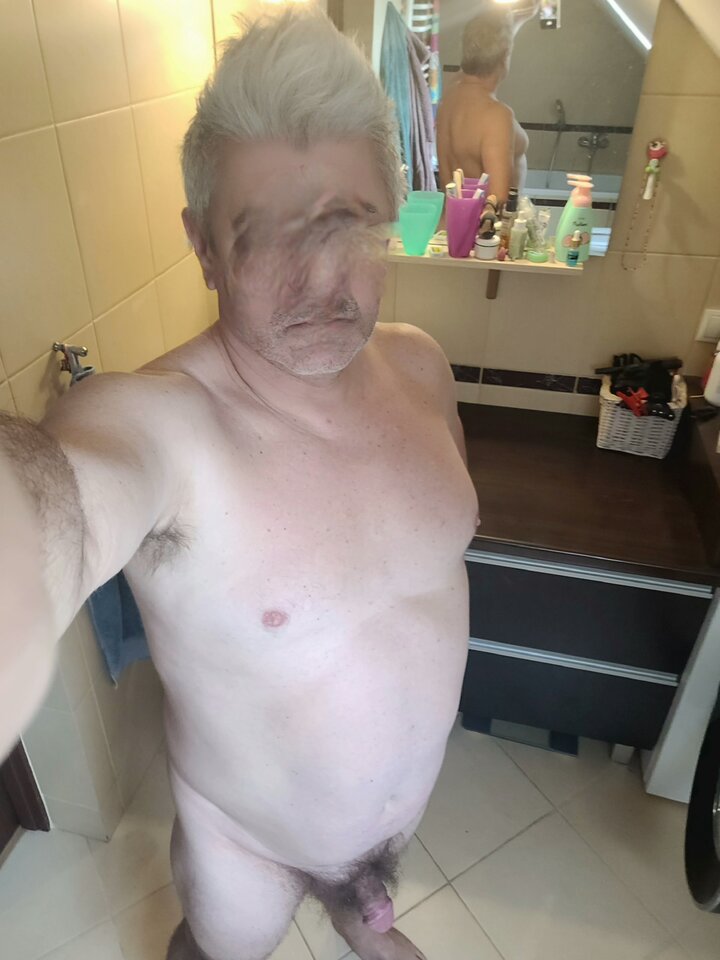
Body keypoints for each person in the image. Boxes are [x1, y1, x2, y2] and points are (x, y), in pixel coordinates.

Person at [0, 10, 478, 960]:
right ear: (204, 245)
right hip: (244, 847)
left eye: (346, 225)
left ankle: (358, 917)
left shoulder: (422, 367)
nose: (321, 280)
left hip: (390, 834)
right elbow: (56, 503)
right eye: (264, 235)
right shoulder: (162, 423)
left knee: (368, 925)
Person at [436, 0, 539, 204]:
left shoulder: (451, 94)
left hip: (455, 215)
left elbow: (482, 52)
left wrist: (516, 21)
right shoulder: (496, 115)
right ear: (505, 56)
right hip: (485, 222)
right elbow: (497, 200)